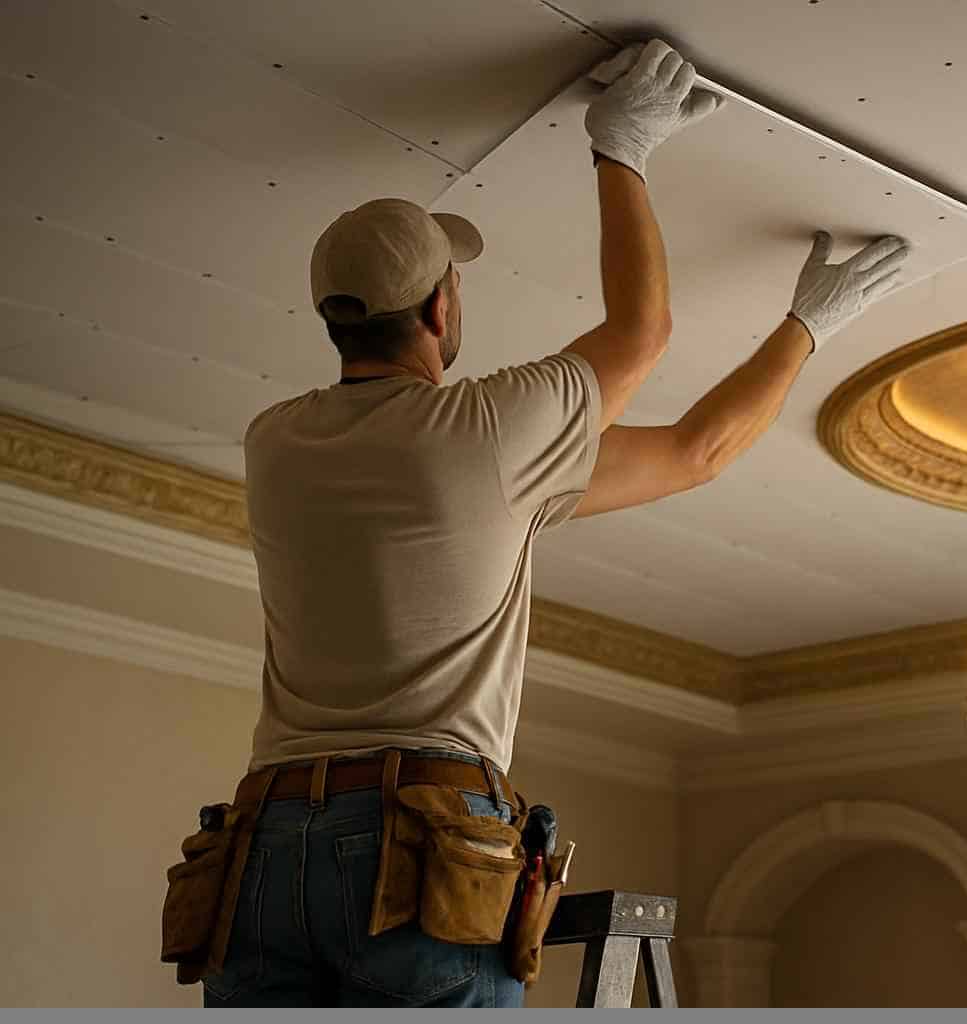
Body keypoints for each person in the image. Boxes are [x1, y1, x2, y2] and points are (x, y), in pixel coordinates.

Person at [190, 40, 909, 1007]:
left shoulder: (273, 442)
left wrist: (802, 325)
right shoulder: (484, 433)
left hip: (265, 851)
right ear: (443, 305)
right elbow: (646, 345)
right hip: (418, 839)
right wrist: (628, 150)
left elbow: (685, 449)